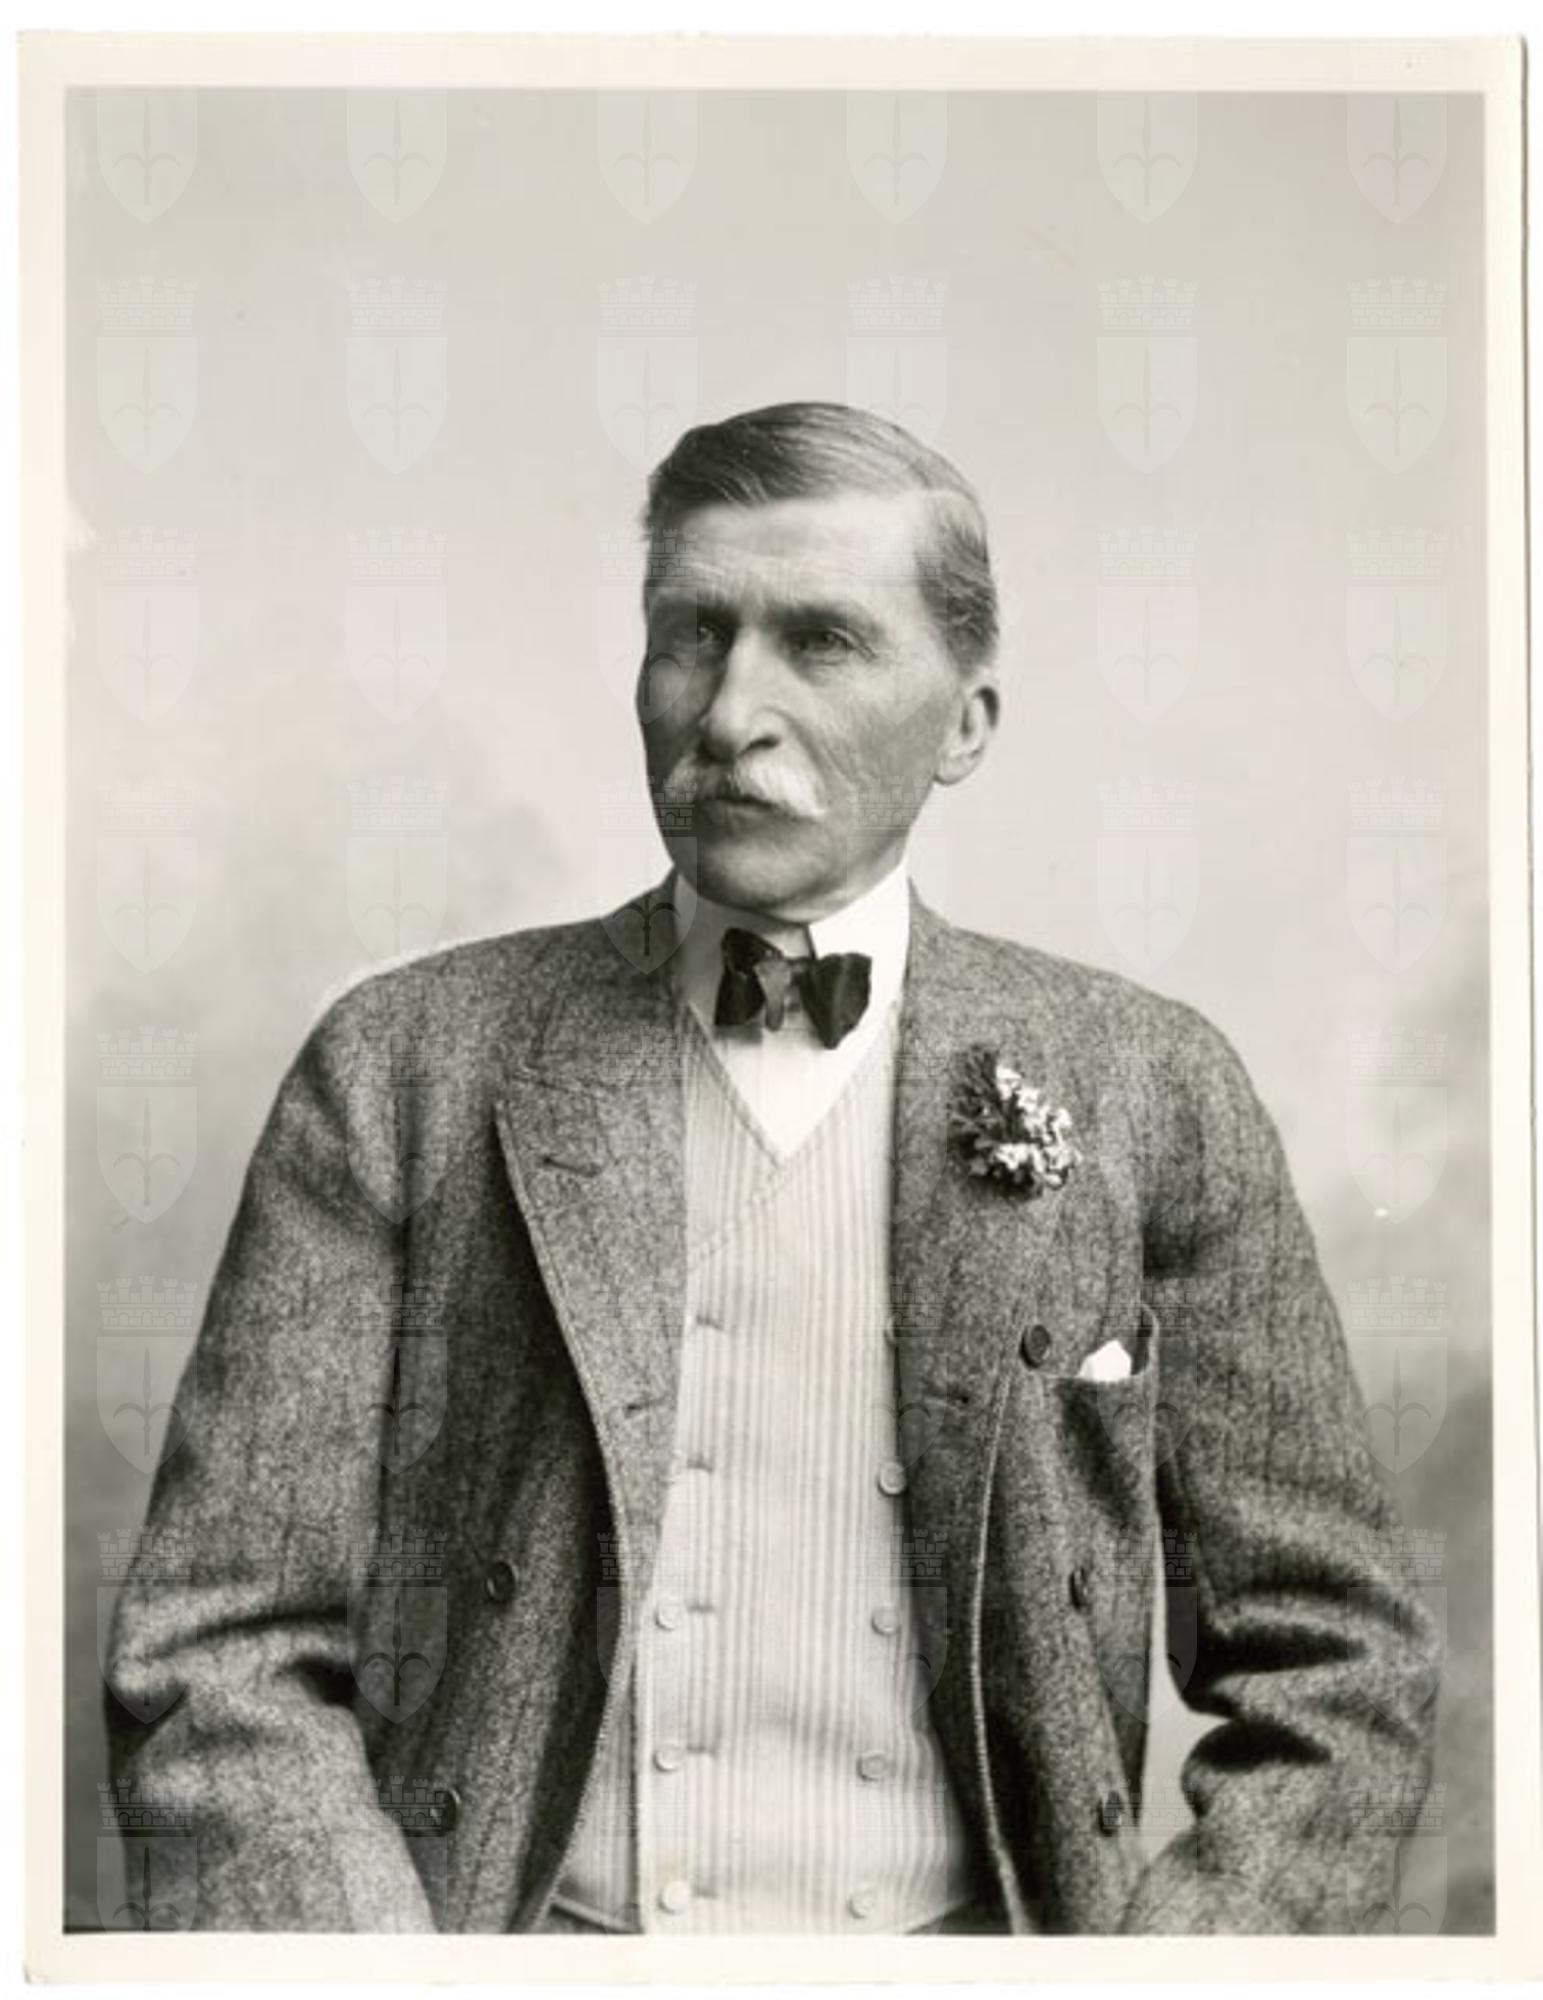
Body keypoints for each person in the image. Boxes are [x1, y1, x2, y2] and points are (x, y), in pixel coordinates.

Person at [105, 402, 1439, 1934]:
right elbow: (220, 1654)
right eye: (694, 633)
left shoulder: (1153, 1086)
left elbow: (1341, 1663)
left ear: (966, 723)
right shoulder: (403, 1068)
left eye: (822, 641)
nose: (732, 708)